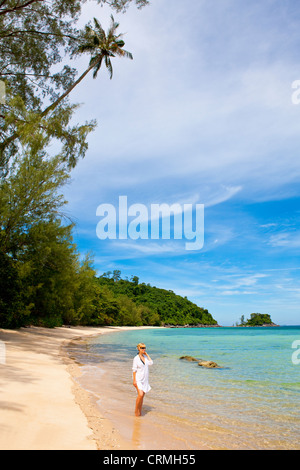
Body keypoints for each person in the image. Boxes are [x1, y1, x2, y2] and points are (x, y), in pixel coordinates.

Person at [132, 343, 153, 417]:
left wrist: (147, 355)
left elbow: (151, 363)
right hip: (138, 380)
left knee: (142, 396)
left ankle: (139, 412)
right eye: (142, 348)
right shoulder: (136, 358)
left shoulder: (146, 358)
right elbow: (134, 370)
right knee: (140, 394)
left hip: (145, 380)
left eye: (144, 348)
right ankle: (135, 411)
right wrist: (134, 380)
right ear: (138, 348)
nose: (143, 349)